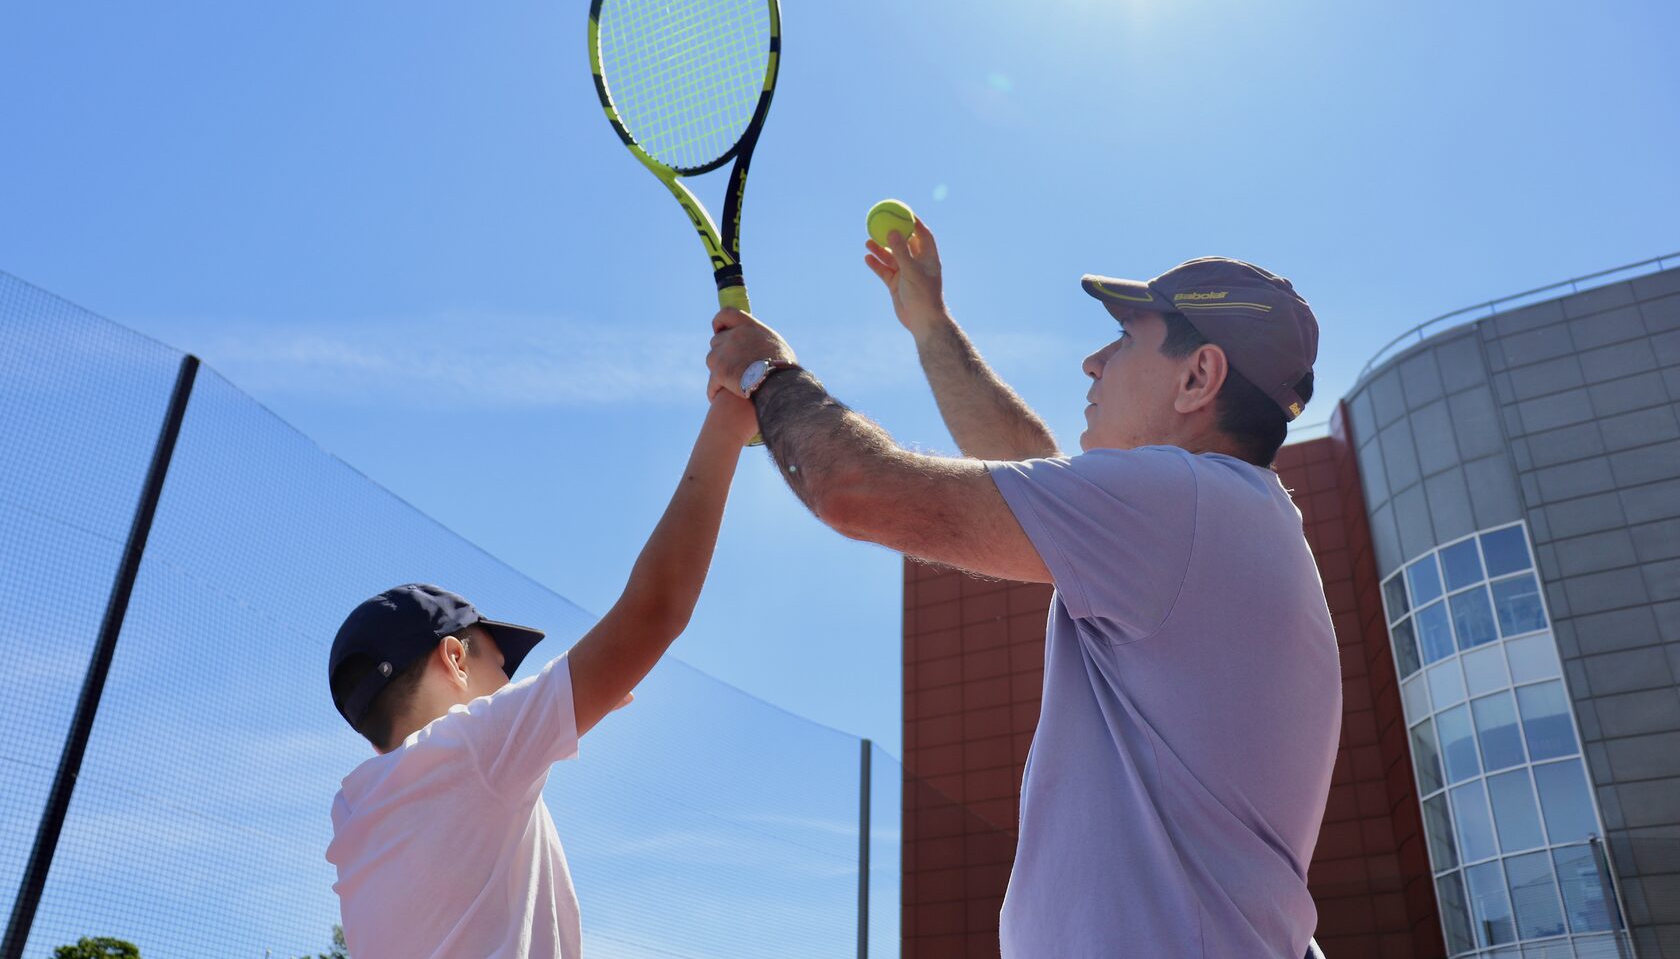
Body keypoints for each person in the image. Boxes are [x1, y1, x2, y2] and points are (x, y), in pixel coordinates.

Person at [705, 220, 1340, 958]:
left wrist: (764, 374)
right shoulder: (1222, 520)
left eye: (1126, 340)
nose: (1092, 361)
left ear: (1198, 377)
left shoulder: (1181, 505)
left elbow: (855, 488)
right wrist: (931, 325)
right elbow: (1028, 460)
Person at [324, 391, 758, 959]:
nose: (509, 687)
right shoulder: (472, 749)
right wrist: (727, 426)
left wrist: (576, 700)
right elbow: (657, 610)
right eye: (500, 669)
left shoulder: (355, 816)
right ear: (454, 658)